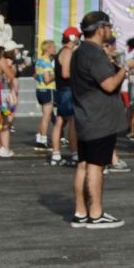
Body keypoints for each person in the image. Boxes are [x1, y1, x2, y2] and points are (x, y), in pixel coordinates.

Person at [69, 11, 132, 228]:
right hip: (99, 118)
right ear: (100, 29)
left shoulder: (79, 52)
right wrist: (124, 69)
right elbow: (109, 85)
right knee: (96, 166)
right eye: (109, 27)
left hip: (85, 116)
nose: (111, 31)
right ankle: (96, 214)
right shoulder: (94, 54)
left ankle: (80, 212)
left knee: (83, 165)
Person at [52, 27, 80, 165]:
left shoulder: (61, 52)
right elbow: (65, 74)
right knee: (73, 123)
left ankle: (56, 153)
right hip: (67, 90)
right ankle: (74, 153)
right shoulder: (68, 52)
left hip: (61, 90)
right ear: (73, 38)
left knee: (60, 122)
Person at [33, 40, 58, 149]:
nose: (55, 48)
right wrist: (56, 73)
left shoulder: (39, 60)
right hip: (48, 89)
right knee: (47, 116)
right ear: (47, 48)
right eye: (53, 47)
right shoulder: (47, 62)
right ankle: (43, 140)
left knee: (45, 116)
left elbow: (35, 75)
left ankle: (39, 137)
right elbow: (48, 79)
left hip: (40, 89)